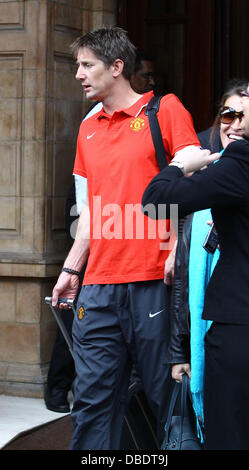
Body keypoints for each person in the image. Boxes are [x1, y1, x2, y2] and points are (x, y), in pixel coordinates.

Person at [51, 25, 202, 450]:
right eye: (78, 65)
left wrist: (177, 244)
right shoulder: (87, 128)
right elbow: (92, 213)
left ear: (117, 67)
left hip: (154, 279)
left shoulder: (165, 111)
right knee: (93, 402)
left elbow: (195, 172)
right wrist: (71, 269)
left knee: (164, 399)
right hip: (98, 287)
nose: (79, 74)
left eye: (87, 65)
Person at [142, 84, 249, 450]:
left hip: (239, 328)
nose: (233, 123)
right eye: (228, 114)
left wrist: (178, 165)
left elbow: (155, 202)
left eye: (243, 114)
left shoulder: (237, 166)